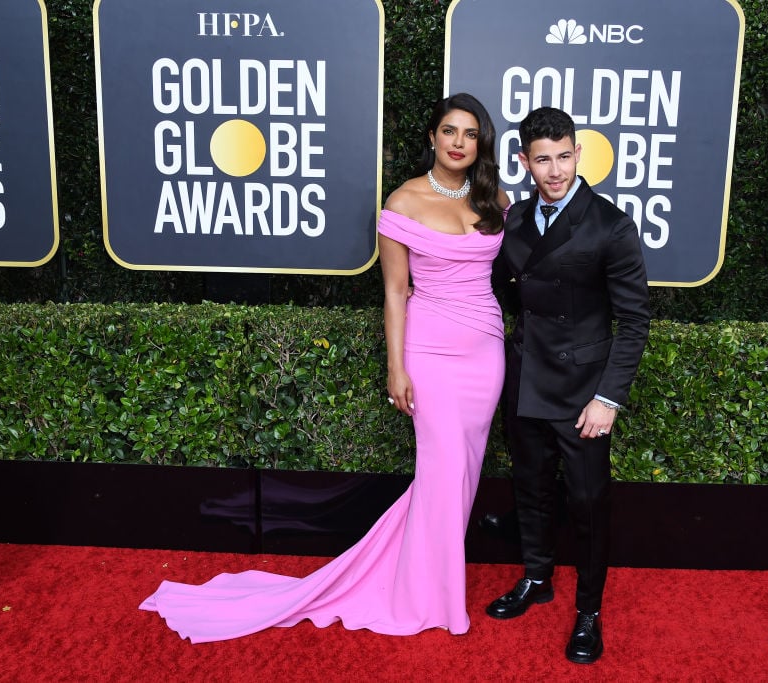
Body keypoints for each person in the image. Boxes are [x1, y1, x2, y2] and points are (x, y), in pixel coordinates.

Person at [139, 92, 509, 641]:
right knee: (442, 469)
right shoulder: (403, 203)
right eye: (449, 131)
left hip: (487, 353)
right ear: (431, 137)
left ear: (481, 142)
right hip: (429, 353)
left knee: (462, 477)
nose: (459, 143)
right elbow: (394, 292)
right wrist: (395, 368)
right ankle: (429, 599)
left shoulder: (494, 198)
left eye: (470, 134)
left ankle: (426, 581)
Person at [486, 107, 650, 664]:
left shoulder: (609, 224)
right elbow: (508, 290)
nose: (554, 170)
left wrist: (608, 399)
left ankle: (589, 609)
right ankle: (537, 578)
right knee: (530, 488)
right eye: (541, 160)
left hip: (583, 392)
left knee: (586, 500)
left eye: (563, 156)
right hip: (527, 376)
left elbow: (635, 321)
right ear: (524, 162)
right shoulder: (515, 220)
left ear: (578, 153)